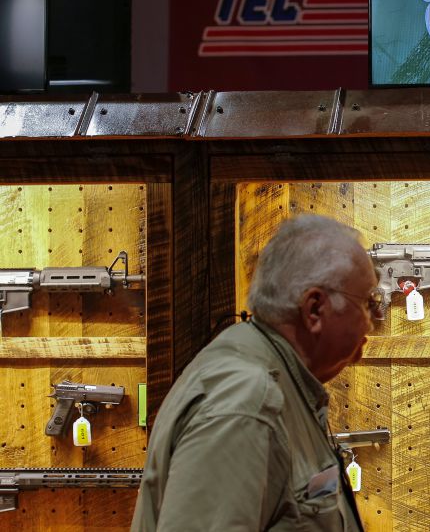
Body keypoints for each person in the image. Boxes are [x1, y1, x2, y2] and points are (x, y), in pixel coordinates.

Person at [132, 214, 380, 531]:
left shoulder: (273, 377)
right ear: (315, 309)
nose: (377, 315)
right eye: (369, 302)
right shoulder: (246, 399)